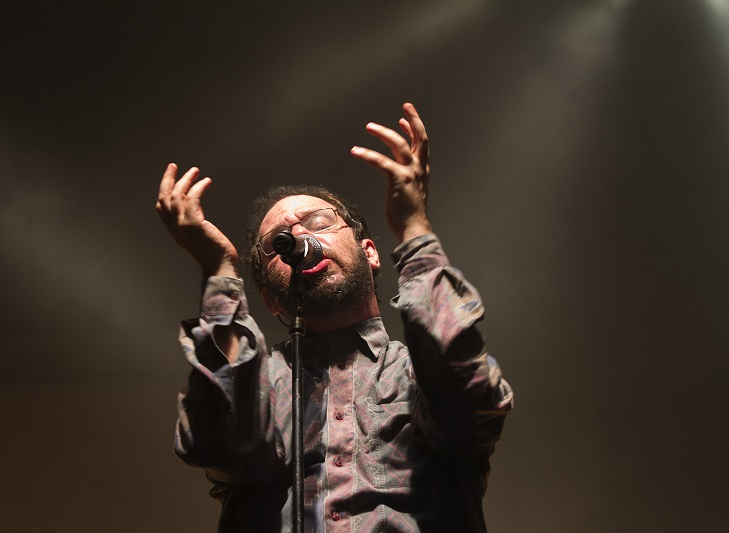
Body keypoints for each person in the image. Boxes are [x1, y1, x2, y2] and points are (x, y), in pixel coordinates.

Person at [156, 103, 513, 532]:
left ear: (370, 253)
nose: (299, 236)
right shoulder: (259, 380)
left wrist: (414, 228)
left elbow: (470, 404)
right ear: (269, 299)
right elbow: (216, 447)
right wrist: (219, 270)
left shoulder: (415, 370)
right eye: (278, 242)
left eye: (318, 221)